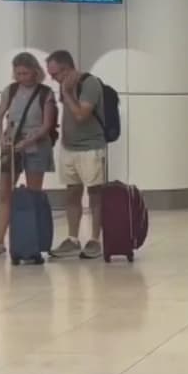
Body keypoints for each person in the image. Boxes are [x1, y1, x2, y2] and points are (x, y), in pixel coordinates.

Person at [0, 52, 57, 258]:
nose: (22, 77)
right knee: (5, 192)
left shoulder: (45, 93)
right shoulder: (10, 91)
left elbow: (47, 125)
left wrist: (27, 142)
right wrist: (1, 139)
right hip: (11, 144)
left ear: (35, 72)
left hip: (36, 146)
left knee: (32, 194)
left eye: (26, 73)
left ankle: (30, 238)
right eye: (18, 73)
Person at [46, 50, 107, 260]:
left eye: (55, 74)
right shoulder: (65, 87)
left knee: (95, 193)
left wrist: (68, 93)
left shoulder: (90, 84)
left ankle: (95, 239)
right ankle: (72, 239)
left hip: (91, 147)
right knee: (72, 192)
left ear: (66, 68)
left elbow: (81, 115)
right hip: (69, 148)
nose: (53, 79)